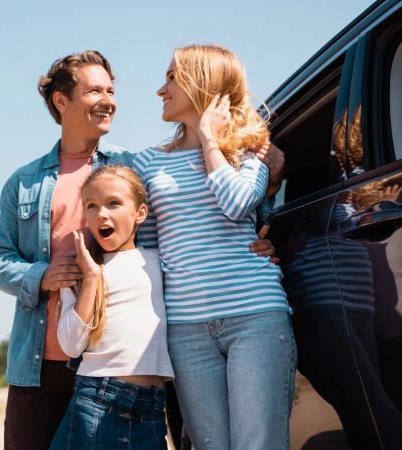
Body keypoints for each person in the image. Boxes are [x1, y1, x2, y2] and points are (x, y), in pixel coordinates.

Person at [0, 49, 282, 450]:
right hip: (43, 360)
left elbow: (189, 223)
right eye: (95, 90)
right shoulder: (25, 182)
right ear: (61, 100)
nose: (109, 99)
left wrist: (265, 230)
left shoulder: (132, 166)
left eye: (111, 89)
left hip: (120, 361)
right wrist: (42, 275)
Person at [129, 44, 296, 450]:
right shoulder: (146, 163)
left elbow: (237, 203)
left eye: (171, 77)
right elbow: (148, 251)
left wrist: (209, 140)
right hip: (186, 331)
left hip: (255, 317)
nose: (160, 89)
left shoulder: (247, 149)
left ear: (201, 82)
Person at [49, 165, 173, 450]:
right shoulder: (81, 271)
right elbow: (71, 345)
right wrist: (92, 277)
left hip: (152, 409)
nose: (101, 214)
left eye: (113, 203)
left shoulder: (159, 261)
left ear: (140, 213)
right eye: (91, 206)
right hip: (97, 401)